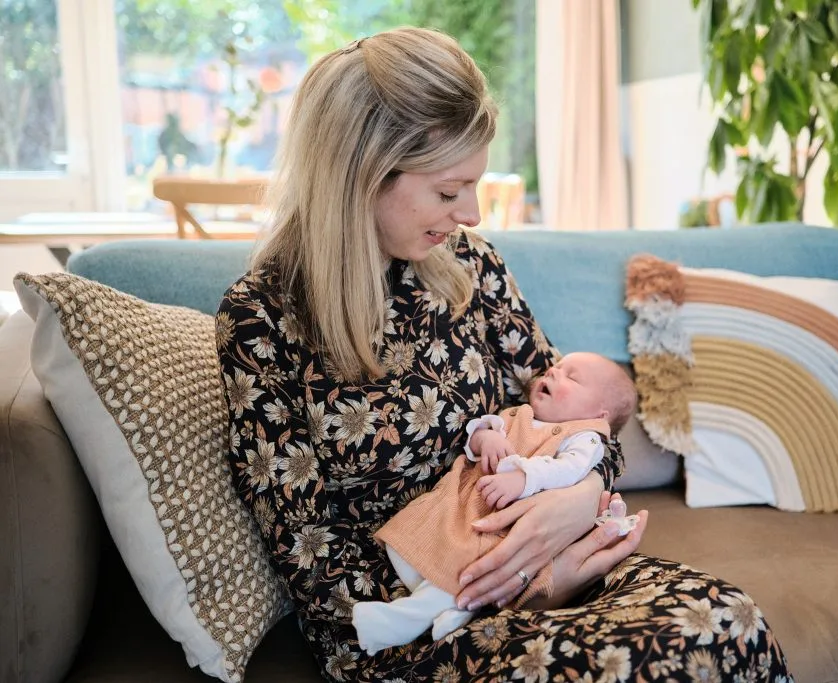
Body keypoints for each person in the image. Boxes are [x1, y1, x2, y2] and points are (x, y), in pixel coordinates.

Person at [216, 27, 792, 682]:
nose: (471, 210)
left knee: (729, 619)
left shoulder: (474, 268)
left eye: (476, 183)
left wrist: (579, 499)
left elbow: (581, 416)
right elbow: (317, 572)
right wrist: (526, 583)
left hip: (558, 558)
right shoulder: (261, 321)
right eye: (448, 189)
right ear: (362, 174)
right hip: (415, 622)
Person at [352, 352, 640, 654]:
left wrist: (523, 477)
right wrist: (486, 440)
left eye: (572, 377)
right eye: (555, 368)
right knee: (407, 545)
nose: (553, 373)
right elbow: (478, 436)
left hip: (501, 528)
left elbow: (570, 469)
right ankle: (458, 612)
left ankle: (400, 621)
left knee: (465, 570)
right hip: (458, 507)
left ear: (599, 414)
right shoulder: (518, 414)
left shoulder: (584, 438)